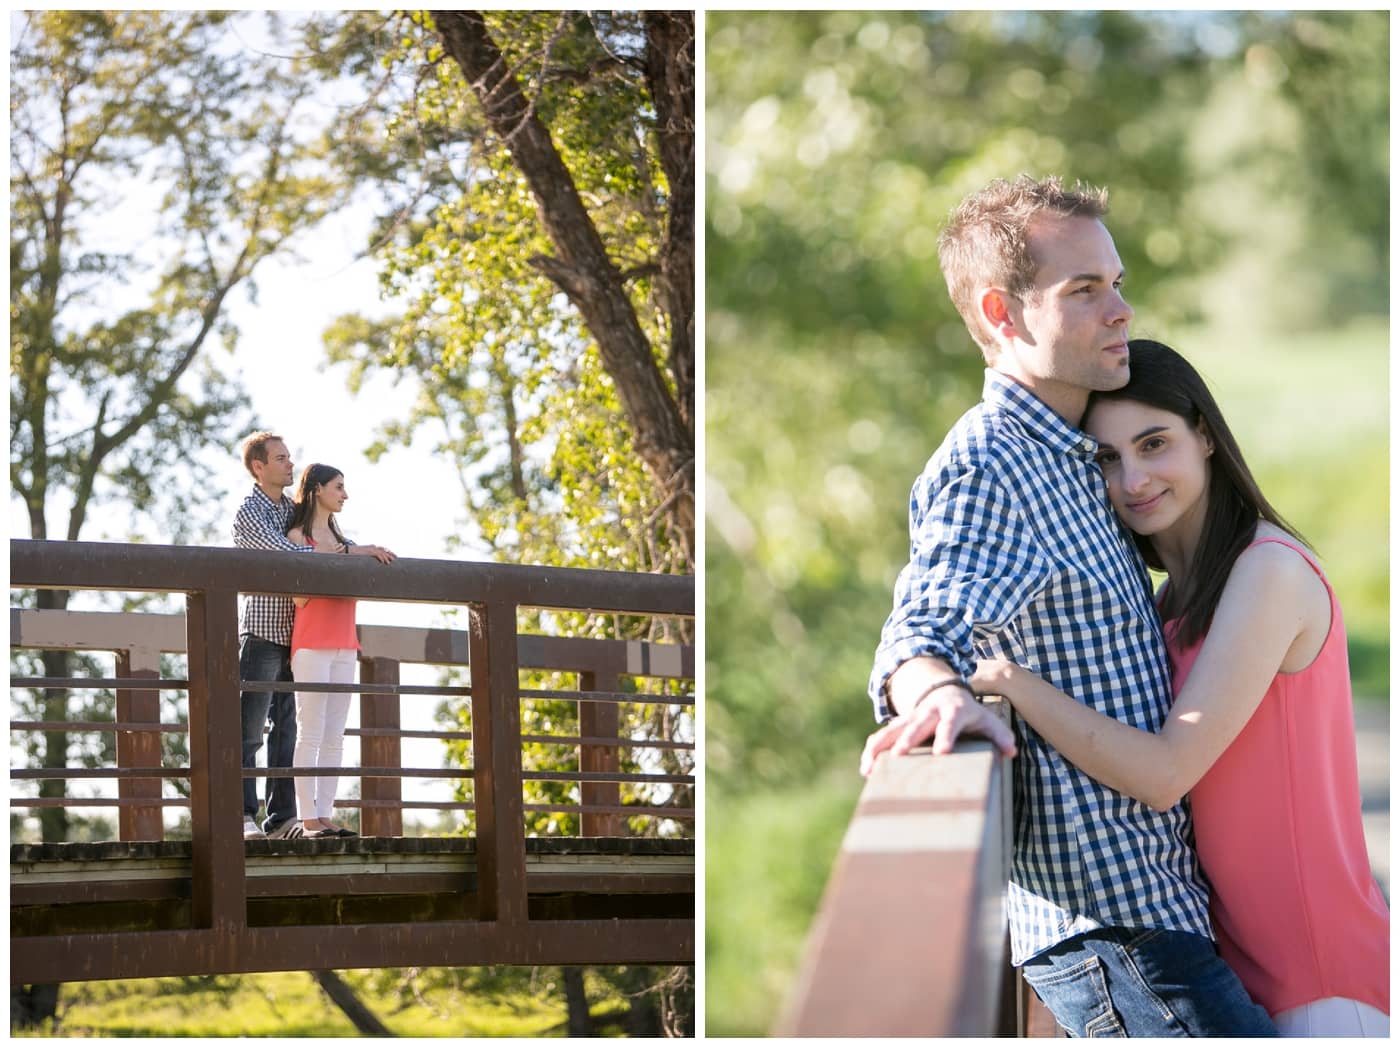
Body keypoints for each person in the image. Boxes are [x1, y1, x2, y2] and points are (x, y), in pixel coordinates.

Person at [858, 176, 1277, 1036]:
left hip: (1165, 911)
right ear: (1002, 313)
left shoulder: (1085, 457)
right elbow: (917, 632)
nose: (1120, 309)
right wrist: (939, 696)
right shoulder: (991, 464)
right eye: (1084, 291)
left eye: (1116, 284)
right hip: (1114, 931)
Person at [966, 339, 1389, 1037]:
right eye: (1105, 459)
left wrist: (1008, 680)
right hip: (1238, 966)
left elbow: (1164, 772)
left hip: (1318, 975)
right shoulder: (1169, 606)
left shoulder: (1268, 572)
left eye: (1154, 443)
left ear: (1205, 437)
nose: (1132, 479)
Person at [232, 432, 393, 841]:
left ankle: (285, 818)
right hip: (265, 632)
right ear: (258, 467)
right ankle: (242, 813)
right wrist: (346, 555)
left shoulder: (293, 508)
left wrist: (360, 550)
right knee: (250, 730)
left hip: (300, 635)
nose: (290, 465)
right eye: (281, 459)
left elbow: (324, 537)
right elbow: (286, 554)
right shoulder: (250, 513)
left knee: (288, 730)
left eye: (289, 458)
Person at [285, 463, 393, 838]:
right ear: (317, 490)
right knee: (310, 732)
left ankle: (325, 815)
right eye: (338, 487)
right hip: (311, 645)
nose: (345, 494)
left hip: (346, 645)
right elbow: (298, 599)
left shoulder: (348, 544)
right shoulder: (298, 538)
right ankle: (307, 819)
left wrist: (364, 554)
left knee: (335, 735)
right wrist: (342, 559)